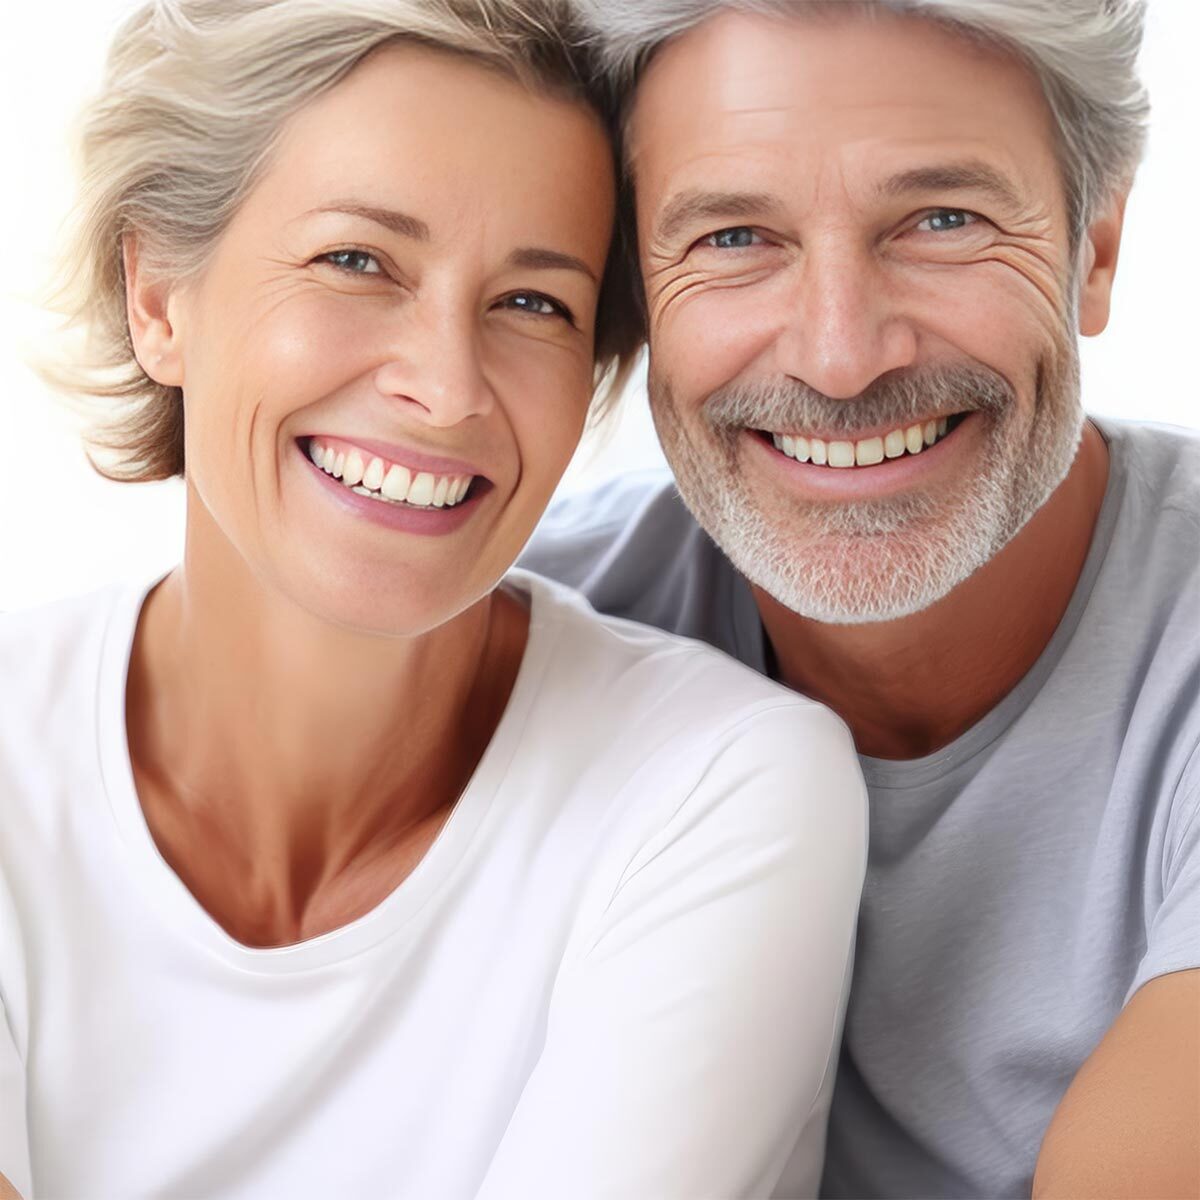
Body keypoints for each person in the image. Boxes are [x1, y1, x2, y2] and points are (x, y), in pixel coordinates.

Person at [0, 2, 870, 1197]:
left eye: (534, 304)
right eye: (357, 262)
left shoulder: (711, 791)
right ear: (157, 297)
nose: (449, 388)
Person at [521, 1, 1200, 1196]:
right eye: (734, 236)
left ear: (1095, 245)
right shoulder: (527, 645)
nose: (841, 355)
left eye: (942, 220)